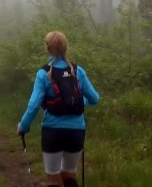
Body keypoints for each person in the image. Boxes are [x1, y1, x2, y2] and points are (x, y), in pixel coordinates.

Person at [17, 31, 100, 187]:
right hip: (76, 131)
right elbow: (94, 98)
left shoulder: (43, 74)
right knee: (69, 174)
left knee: (53, 178)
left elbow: (34, 105)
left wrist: (23, 126)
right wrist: (77, 102)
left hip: (53, 131)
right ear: (66, 47)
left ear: (48, 49)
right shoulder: (78, 71)